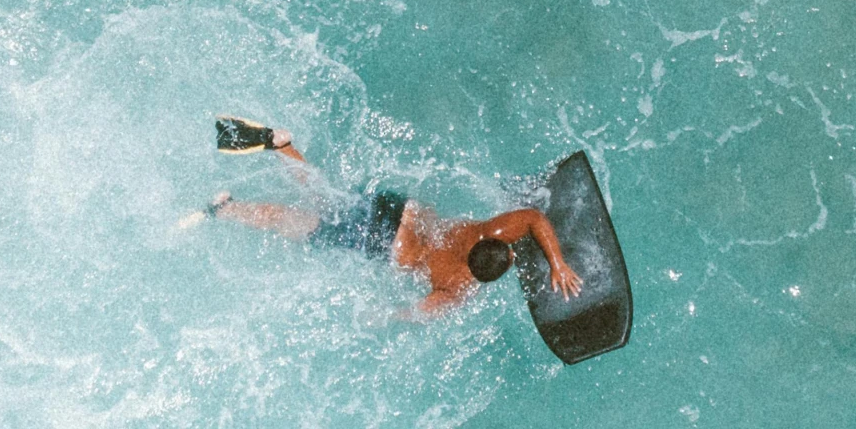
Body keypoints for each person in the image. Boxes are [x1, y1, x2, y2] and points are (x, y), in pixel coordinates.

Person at [190, 123, 581, 316]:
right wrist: (384, 317)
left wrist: (558, 263)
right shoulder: (458, 288)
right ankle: (225, 207)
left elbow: (532, 218)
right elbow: (417, 313)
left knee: (329, 199)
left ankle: (281, 144)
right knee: (301, 225)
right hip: (384, 245)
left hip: (400, 210)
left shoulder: (486, 231)